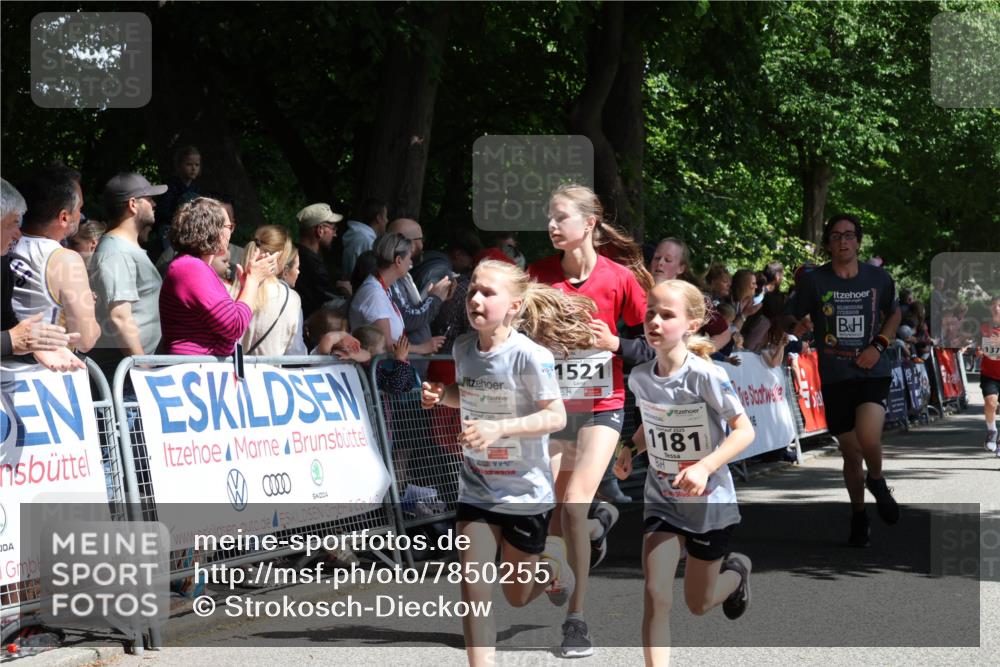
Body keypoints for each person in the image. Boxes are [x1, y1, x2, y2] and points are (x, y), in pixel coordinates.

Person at [420, 259, 595, 667]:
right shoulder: (463, 348)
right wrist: (442, 395)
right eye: (473, 291)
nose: (475, 299)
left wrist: (499, 429)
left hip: (524, 495)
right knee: (474, 590)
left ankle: (551, 569)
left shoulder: (530, 356)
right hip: (477, 489)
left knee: (516, 596)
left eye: (488, 293)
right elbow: (468, 394)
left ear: (514, 306)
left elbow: (556, 417)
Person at [528, 184, 651, 657]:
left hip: (603, 403)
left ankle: (576, 621)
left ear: (589, 223)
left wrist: (615, 343)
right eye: (550, 217)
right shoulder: (537, 276)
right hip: (556, 408)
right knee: (557, 508)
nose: (552, 225)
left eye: (561, 217)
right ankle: (592, 534)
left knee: (574, 504)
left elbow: (654, 343)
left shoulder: (619, 279)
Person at [614, 279, 755, 666]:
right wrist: (629, 449)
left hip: (709, 504)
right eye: (650, 314)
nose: (654, 322)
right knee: (655, 593)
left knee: (699, 603)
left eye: (666, 315)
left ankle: (736, 574)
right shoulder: (641, 377)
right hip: (663, 500)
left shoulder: (706, 375)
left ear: (692, 324)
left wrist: (705, 466)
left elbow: (744, 431)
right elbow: (651, 425)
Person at [788, 213, 902, 547]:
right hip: (835, 375)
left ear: (858, 241)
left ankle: (877, 480)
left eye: (849, 235)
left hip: (872, 371)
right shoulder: (814, 281)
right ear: (828, 244)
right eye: (836, 236)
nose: (843, 241)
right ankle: (859, 515)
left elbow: (894, 312)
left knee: (868, 437)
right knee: (851, 456)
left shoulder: (878, 278)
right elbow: (786, 314)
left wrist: (878, 346)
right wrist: (795, 325)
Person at [159, 197, 277, 355]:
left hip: (198, 366)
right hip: (193, 367)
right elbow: (234, 326)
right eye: (229, 226)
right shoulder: (191, 269)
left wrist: (246, 286)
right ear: (214, 231)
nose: (231, 233)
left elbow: (227, 322)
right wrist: (253, 281)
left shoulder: (193, 267)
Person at [9, 165, 100, 354]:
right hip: (46, 369)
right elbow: (85, 340)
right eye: (79, 208)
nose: (81, 215)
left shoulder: (5, 243)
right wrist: (89, 308)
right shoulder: (65, 260)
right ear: (64, 217)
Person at [89, 172, 167, 380]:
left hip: (133, 373)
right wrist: (144, 369)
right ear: (133, 204)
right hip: (129, 377)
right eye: (149, 199)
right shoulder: (116, 252)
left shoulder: (124, 248)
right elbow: (120, 317)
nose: (154, 204)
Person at [1, 177, 82, 370]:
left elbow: (6, 323)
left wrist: (37, 348)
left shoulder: (3, 264)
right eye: (13, 223)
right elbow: (11, 337)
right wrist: (10, 341)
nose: (18, 234)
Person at [348, 233, 443, 355]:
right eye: (409, 258)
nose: (410, 263)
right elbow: (385, 344)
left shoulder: (381, 288)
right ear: (398, 260)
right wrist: (422, 348)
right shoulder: (374, 294)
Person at [385, 217, 451, 374]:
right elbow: (407, 318)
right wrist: (434, 299)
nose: (422, 245)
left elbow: (413, 311)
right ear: (410, 243)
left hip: (411, 367)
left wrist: (436, 298)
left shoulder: (403, 275)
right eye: (420, 239)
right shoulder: (391, 279)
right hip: (402, 368)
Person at [236, 225, 303, 356]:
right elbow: (295, 353)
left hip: (230, 368)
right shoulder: (291, 299)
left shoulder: (229, 288)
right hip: (270, 369)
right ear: (280, 257)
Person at [295, 202, 346, 318]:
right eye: (333, 228)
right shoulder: (314, 267)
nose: (335, 234)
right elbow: (333, 305)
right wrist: (347, 292)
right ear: (320, 230)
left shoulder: (292, 256)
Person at [341, 198, 388, 280]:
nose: (387, 220)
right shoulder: (366, 241)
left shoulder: (359, 236)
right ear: (379, 218)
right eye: (386, 216)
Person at [978, 295, 1000, 455]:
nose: (996, 308)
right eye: (993, 305)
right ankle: (992, 431)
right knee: (991, 403)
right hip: (990, 374)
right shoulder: (985, 327)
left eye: (999, 305)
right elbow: (986, 350)